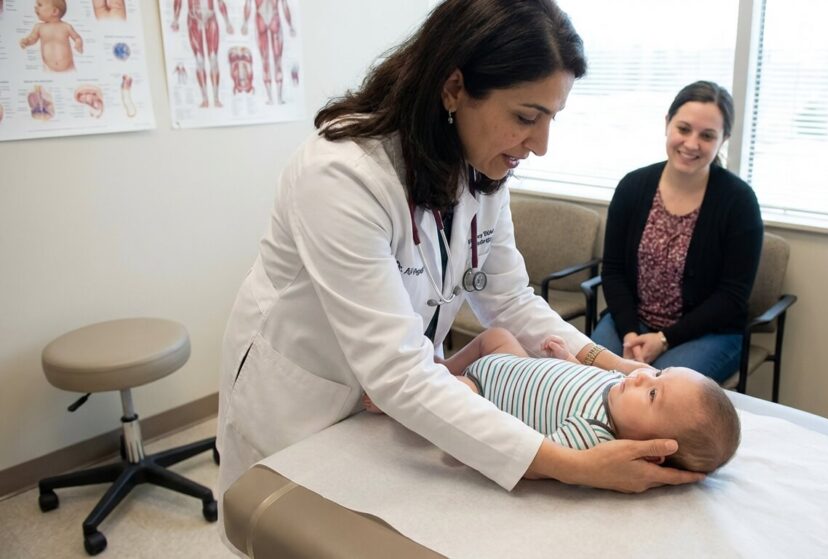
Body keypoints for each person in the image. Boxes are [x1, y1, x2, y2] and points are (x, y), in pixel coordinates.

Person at [216, 0, 705, 504]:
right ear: (453, 89)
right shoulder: (343, 175)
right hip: (303, 397)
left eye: (551, 118)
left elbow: (509, 301)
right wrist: (571, 464)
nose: (540, 144)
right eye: (526, 116)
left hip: (396, 397)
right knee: (287, 531)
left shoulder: (481, 167)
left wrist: (616, 368)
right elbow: (397, 370)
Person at [369, 328, 740, 473]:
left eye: (654, 393)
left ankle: (402, 397)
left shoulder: (594, 435)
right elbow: (582, 374)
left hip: (485, 392)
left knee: (453, 394)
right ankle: (445, 366)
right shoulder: (621, 384)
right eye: (659, 373)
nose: (642, 376)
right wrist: (568, 357)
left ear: (651, 449)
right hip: (513, 361)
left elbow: (540, 452)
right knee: (494, 335)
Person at [591, 81, 764, 383]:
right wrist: (631, 332)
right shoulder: (633, 186)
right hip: (632, 323)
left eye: (707, 135)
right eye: (684, 129)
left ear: (724, 139)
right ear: (667, 124)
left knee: (658, 391)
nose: (692, 143)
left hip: (708, 334)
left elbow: (731, 297)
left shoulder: (739, 202)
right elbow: (614, 271)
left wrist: (664, 338)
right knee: (588, 375)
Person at [170, 0, 233, 108]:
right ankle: (205, 99)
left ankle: (216, 98)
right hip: (193, 20)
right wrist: (175, 19)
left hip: (210, 18)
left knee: (213, 58)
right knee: (199, 60)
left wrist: (227, 22)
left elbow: (220, 2)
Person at [20, 0, 84, 72]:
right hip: (49, 69)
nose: (35, 7)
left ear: (54, 11)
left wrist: (78, 41)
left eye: (40, 5)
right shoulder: (39, 27)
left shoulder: (66, 26)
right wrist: (26, 41)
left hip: (69, 68)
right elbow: (32, 38)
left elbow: (77, 37)